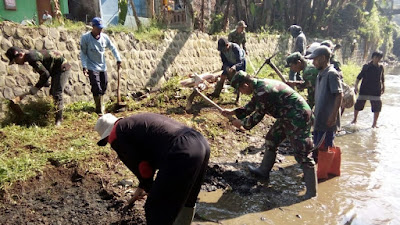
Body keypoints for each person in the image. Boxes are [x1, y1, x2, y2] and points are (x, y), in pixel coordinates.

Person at [95, 113, 210, 225]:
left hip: (181, 151)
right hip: (200, 144)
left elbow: (143, 167)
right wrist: (141, 186)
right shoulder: (133, 124)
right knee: (187, 200)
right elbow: (148, 156)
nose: (110, 144)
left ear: (107, 135)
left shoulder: (116, 135)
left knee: (154, 207)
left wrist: (149, 188)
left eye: (106, 141)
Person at [221, 71, 317, 199]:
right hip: (286, 115)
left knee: (302, 153)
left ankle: (311, 193)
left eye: (240, 90)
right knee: (272, 139)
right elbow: (250, 107)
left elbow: (256, 117)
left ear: (245, 85)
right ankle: (263, 171)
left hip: (298, 116)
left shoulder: (263, 91)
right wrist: (232, 112)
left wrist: (240, 124)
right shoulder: (258, 87)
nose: (242, 93)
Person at [5, 46, 71, 126]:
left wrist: (36, 87)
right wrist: (44, 83)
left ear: (20, 55)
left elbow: (45, 74)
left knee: (57, 93)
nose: (16, 63)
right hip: (55, 69)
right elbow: (44, 71)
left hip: (62, 67)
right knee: (52, 94)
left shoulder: (31, 58)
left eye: (15, 60)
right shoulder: (30, 56)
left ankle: (59, 120)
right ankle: (53, 116)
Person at [80, 17, 122, 115]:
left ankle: (101, 103)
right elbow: (83, 53)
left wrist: (118, 59)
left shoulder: (104, 37)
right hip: (91, 66)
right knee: (96, 86)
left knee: (104, 85)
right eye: (98, 28)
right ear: (93, 27)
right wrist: (84, 66)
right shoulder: (85, 38)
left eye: (101, 28)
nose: (100, 30)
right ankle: (99, 109)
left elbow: (113, 48)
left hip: (102, 66)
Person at [306, 46, 343, 152]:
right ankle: (320, 168)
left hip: (327, 121)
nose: (313, 63)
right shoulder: (320, 74)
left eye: (315, 59)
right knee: (318, 149)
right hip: (320, 119)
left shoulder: (331, 74)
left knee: (325, 150)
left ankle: (325, 168)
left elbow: (339, 95)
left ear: (323, 58)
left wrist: (333, 116)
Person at [351, 51, 385, 128]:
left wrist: (383, 86)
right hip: (364, 89)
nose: (377, 59)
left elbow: (382, 78)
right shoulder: (366, 66)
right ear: (372, 58)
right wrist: (356, 86)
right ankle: (354, 119)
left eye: (379, 58)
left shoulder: (380, 67)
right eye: (376, 57)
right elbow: (359, 77)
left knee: (377, 107)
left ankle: (374, 123)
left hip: (376, 90)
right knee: (358, 105)